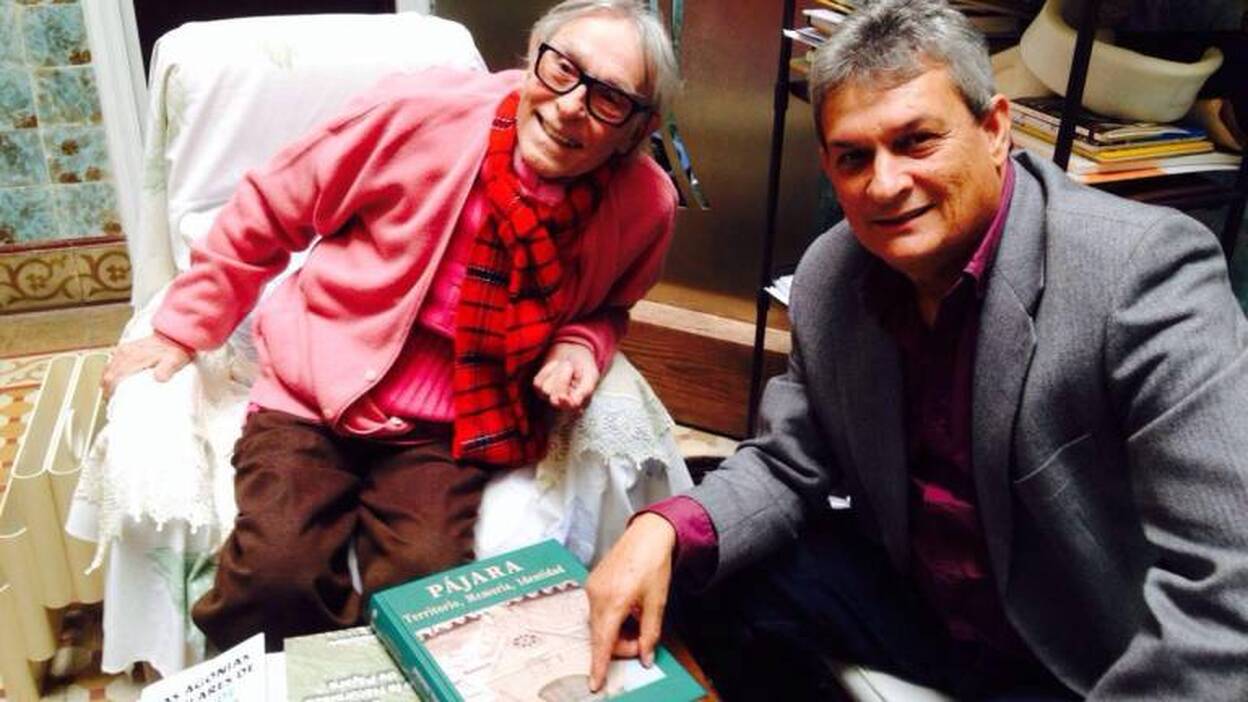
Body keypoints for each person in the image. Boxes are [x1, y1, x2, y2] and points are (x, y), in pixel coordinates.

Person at [586, 0, 1248, 699]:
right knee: (701, 561)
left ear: (995, 130)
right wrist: (663, 531)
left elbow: (1228, 582)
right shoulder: (832, 274)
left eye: (917, 141)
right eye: (854, 156)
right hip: (924, 600)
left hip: (1073, 653)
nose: (885, 184)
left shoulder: (1139, 272)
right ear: (828, 165)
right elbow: (790, 460)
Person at [100, 0, 679, 650]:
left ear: (638, 126)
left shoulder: (645, 205)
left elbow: (610, 306)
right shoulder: (421, 114)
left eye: (609, 98)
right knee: (274, 577)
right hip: (312, 392)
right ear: (531, 60)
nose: (571, 105)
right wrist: (182, 327)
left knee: (424, 590)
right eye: (563, 69)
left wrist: (578, 344)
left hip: (457, 420)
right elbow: (271, 205)